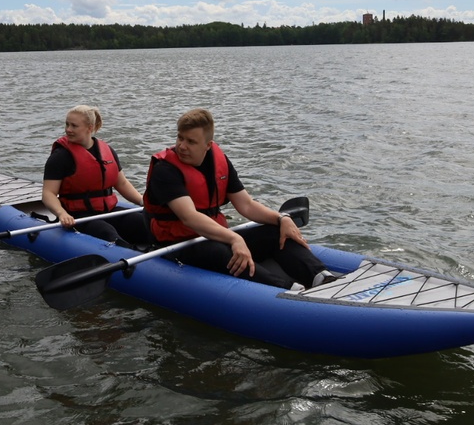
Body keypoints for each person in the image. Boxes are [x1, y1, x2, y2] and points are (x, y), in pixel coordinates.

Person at [143, 108, 336, 290]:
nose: (182, 146)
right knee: (219, 252)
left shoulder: (219, 162)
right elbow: (189, 217)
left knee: (274, 232)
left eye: (191, 142)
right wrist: (234, 238)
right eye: (180, 138)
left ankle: (321, 277)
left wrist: (281, 218)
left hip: (215, 235)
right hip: (178, 244)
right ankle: (285, 291)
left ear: (208, 146)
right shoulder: (165, 170)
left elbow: (247, 205)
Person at [42, 105, 150, 248]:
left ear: (89, 128)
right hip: (78, 216)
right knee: (107, 233)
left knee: (144, 223)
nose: (68, 129)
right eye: (67, 124)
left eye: (74, 126)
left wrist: (143, 202)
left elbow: (122, 184)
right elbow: (48, 193)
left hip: (107, 211)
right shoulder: (60, 157)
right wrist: (62, 214)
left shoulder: (107, 150)